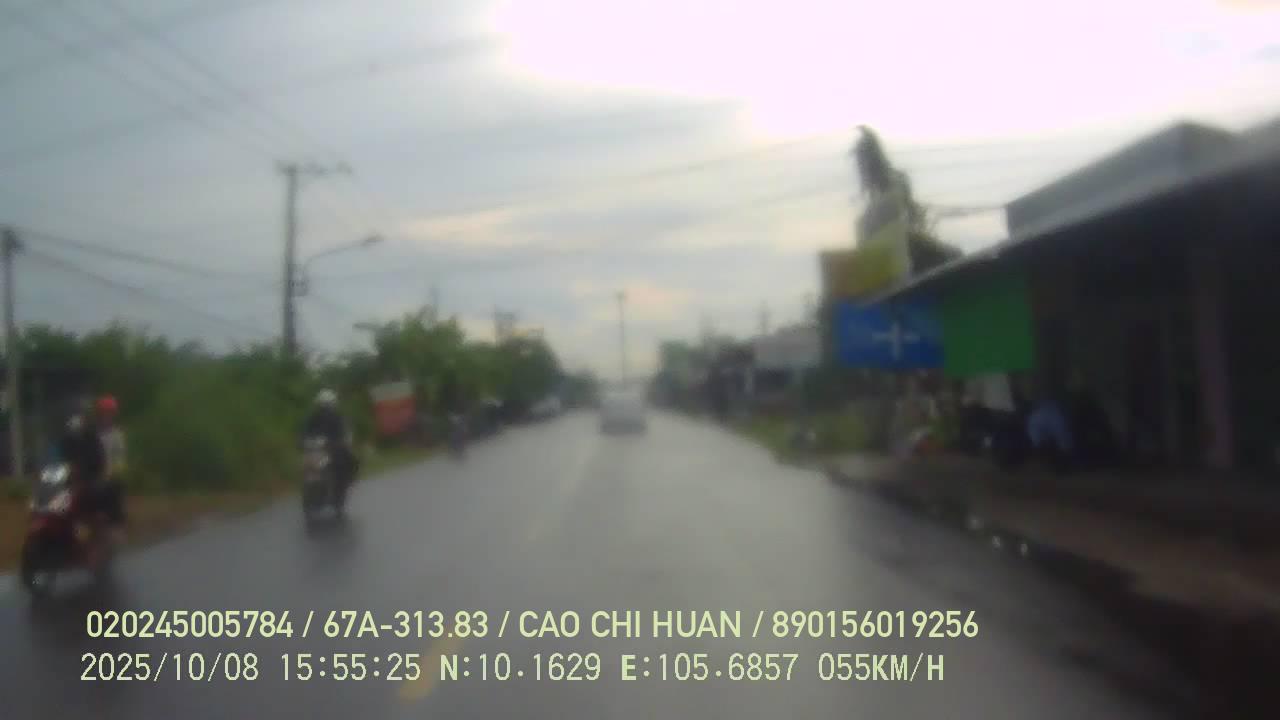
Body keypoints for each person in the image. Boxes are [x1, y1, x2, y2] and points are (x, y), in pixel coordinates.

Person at [302, 389, 357, 499]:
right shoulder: (314, 417)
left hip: (333, 448)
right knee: (308, 465)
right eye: (324, 404)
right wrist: (304, 440)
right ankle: (313, 488)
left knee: (348, 461)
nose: (326, 406)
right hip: (318, 449)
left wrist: (344, 441)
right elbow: (305, 432)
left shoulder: (337, 417)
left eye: (327, 404)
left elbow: (344, 432)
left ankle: (344, 483)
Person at [94, 395, 128, 543]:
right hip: (92, 475)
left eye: (109, 413)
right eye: (103, 413)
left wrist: (111, 472)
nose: (106, 417)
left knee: (115, 492)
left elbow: (119, 458)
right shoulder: (92, 434)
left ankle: (116, 527)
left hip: (109, 477)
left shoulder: (117, 435)